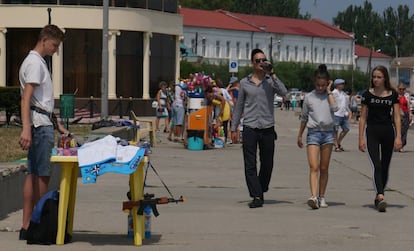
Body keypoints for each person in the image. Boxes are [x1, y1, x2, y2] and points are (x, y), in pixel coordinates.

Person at [18, 24, 67, 240]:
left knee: (33, 174)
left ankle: (27, 225)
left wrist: (56, 123)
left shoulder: (35, 62)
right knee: (42, 176)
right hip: (39, 126)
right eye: (54, 45)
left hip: (42, 122)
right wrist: (26, 128)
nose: (55, 50)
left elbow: (39, 101)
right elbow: (26, 99)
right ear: (45, 39)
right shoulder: (36, 64)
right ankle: (39, 223)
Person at [231, 48, 287, 208]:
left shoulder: (270, 81)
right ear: (252, 63)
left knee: (267, 162)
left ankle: (261, 187)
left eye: (264, 60)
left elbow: (284, 92)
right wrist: (234, 128)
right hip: (250, 127)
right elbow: (239, 106)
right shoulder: (244, 83)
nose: (261, 63)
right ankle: (256, 195)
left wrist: (273, 73)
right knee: (250, 163)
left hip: (267, 127)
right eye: (258, 61)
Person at [358, 65, 402, 213]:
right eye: (374, 77)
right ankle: (381, 195)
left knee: (385, 166)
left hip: (388, 132)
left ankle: (379, 196)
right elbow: (363, 118)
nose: (376, 80)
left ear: (385, 78)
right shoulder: (367, 95)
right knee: (376, 165)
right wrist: (360, 138)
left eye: (379, 77)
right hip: (372, 132)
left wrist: (398, 137)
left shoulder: (392, 94)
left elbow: (396, 116)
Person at [297, 64, 338, 209]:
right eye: (318, 85)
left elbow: (335, 109)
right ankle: (313, 196)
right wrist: (300, 135)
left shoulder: (331, 96)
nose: (320, 88)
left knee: (324, 167)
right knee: (314, 166)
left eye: (323, 85)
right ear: (314, 83)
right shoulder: (309, 97)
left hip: (328, 134)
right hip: (313, 133)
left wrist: (329, 91)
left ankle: (322, 196)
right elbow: (304, 117)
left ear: (327, 83)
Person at [332, 78, 351, 152]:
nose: (343, 85)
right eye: (341, 84)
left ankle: (338, 142)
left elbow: (346, 104)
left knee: (346, 129)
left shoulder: (343, 93)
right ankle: (336, 146)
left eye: (343, 84)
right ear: (337, 85)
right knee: (335, 131)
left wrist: (348, 112)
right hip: (336, 114)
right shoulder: (334, 93)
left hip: (343, 114)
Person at [397, 82, 412, 152]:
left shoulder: (407, 96)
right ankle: (396, 145)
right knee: (397, 130)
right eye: (400, 89)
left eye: (403, 89)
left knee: (404, 131)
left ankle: (402, 145)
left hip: (405, 114)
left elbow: (409, 106)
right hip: (397, 115)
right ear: (398, 89)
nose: (402, 90)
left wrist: (410, 115)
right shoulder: (395, 96)